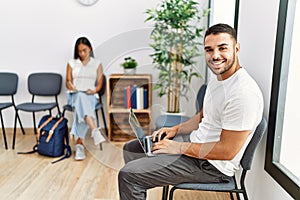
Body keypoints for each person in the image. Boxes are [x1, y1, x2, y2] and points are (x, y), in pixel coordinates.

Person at [118, 23, 264, 199]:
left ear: (236, 48)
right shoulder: (218, 79)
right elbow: (203, 115)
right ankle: (143, 181)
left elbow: (227, 151)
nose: (215, 56)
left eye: (222, 48)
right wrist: (175, 130)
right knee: (131, 148)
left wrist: (177, 147)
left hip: (212, 167)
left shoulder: (243, 94)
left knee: (128, 175)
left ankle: (138, 179)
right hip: (196, 145)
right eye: (209, 50)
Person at [66, 36, 106, 161]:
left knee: (82, 103)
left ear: (90, 48)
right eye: (79, 51)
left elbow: (100, 83)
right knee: (80, 98)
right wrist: (71, 86)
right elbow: (68, 81)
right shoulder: (71, 63)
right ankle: (94, 130)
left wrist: (94, 90)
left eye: (84, 50)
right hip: (75, 95)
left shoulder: (97, 63)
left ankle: (79, 145)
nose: (82, 53)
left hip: (90, 95)